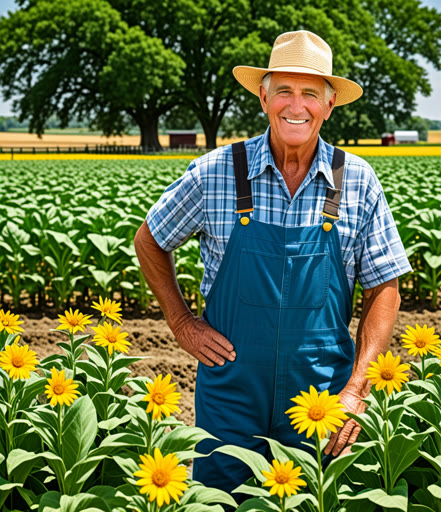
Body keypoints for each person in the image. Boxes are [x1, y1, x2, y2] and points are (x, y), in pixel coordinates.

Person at [134, 30, 412, 494]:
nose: (295, 105)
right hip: (230, 393)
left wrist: (358, 388)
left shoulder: (358, 180)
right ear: (264, 98)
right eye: (283, 90)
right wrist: (181, 322)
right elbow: (150, 240)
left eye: (309, 94)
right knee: (218, 499)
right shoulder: (216, 171)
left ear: (329, 105)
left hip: (321, 397)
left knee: (311, 500)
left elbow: (385, 286)